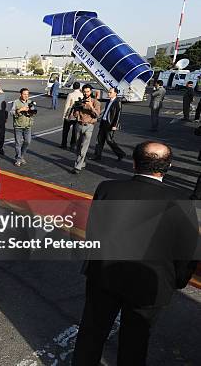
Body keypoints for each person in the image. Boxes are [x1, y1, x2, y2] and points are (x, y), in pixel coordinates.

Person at [72, 141, 198, 365]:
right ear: (168, 166)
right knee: (135, 341)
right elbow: (187, 249)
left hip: (104, 275)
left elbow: (94, 232)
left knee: (92, 332)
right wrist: (177, 281)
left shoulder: (108, 188)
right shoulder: (180, 200)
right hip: (150, 284)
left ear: (133, 163)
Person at [90, 87, 126, 162]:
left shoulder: (117, 102)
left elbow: (118, 114)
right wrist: (101, 118)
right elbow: (106, 112)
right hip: (104, 122)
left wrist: (115, 125)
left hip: (110, 124)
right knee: (99, 140)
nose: (108, 93)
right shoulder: (108, 101)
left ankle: (121, 154)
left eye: (110, 92)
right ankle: (97, 156)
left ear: (115, 93)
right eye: (108, 92)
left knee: (109, 140)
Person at [71, 84, 101, 174]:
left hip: (89, 126)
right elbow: (75, 115)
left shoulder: (96, 102)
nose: (86, 93)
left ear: (90, 92)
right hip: (79, 125)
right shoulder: (79, 101)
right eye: (84, 91)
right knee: (78, 146)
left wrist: (91, 106)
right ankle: (82, 162)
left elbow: (97, 115)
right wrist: (76, 109)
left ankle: (77, 167)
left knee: (84, 147)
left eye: (87, 91)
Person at [12, 88, 35, 166]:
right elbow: (12, 112)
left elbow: (33, 112)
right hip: (18, 126)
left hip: (28, 126)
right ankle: (18, 159)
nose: (26, 96)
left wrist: (31, 112)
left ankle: (21, 155)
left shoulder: (30, 102)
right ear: (21, 94)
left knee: (27, 142)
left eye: (27, 94)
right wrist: (20, 110)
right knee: (18, 143)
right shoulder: (16, 102)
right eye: (24, 94)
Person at [61, 81, 82, 149]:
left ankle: (64, 144)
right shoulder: (82, 95)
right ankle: (73, 144)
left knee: (65, 131)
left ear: (73, 87)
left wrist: (64, 115)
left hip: (70, 115)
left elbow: (67, 106)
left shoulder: (70, 95)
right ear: (79, 87)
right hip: (77, 115)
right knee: (74, 131)